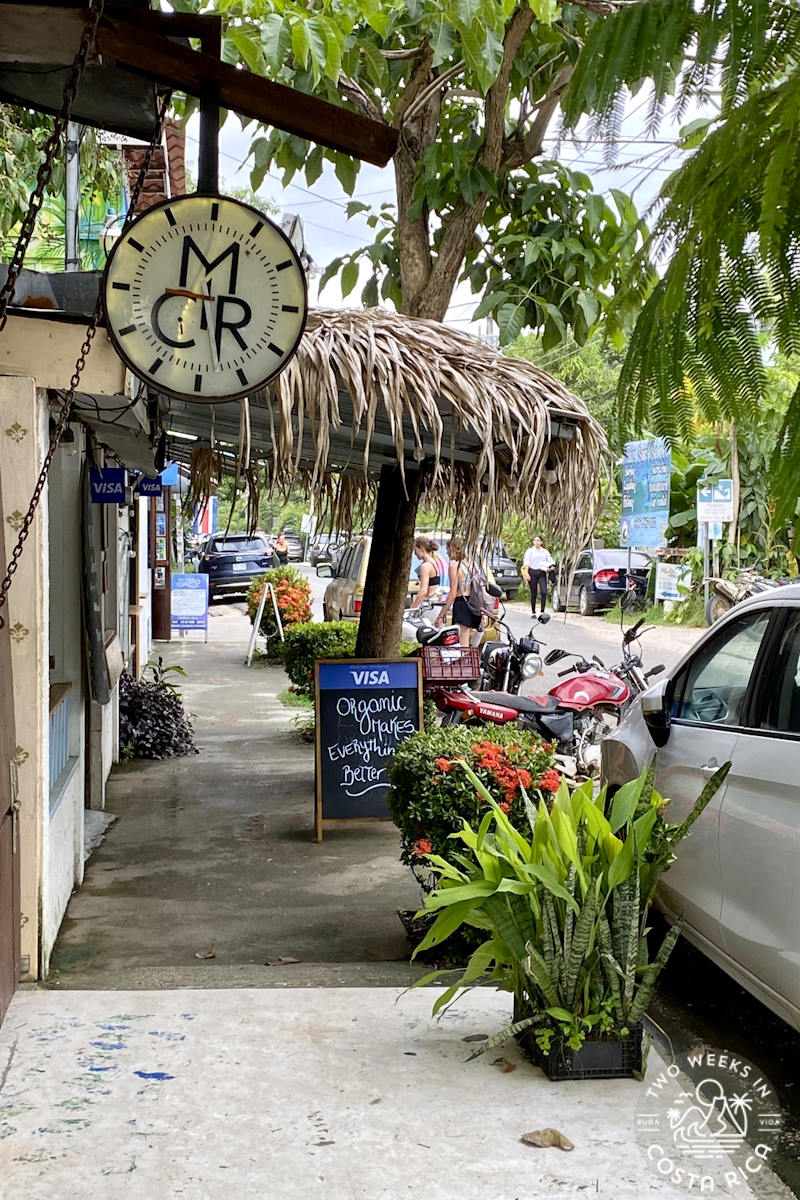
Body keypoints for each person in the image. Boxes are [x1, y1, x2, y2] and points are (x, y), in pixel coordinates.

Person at [436, 536, 483, 647]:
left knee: (462, 643)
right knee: (468, 639)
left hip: (462, 604)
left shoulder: (454, 567)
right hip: (473, 605)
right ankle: (469, 661)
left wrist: (441, 615)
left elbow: (452, 594)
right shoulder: (472, 564)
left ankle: (466, 663)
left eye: (447, 549)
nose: (447, 553)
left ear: (453, 549)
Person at [522, 535, 554, 615]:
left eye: (538, 540)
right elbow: (527, 563)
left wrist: (551, 567)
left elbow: (550, 561)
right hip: (532, 572)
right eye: (535, 540)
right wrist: (526, 573)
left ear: (541, 542)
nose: (536, 542)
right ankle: (533, 611)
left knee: (544, 591)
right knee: (534, 592)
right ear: (533, 542)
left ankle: (542, 611)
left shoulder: (545, 552)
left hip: (541, 572)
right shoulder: (530, 551)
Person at [411, 538, 445, 611]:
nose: (415, 553)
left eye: (415, 550)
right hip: (435, 602)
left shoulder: (425, 566)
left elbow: (423, 591)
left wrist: (413, 607)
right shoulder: (434, 562)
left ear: (422, 548)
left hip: (429, 605)